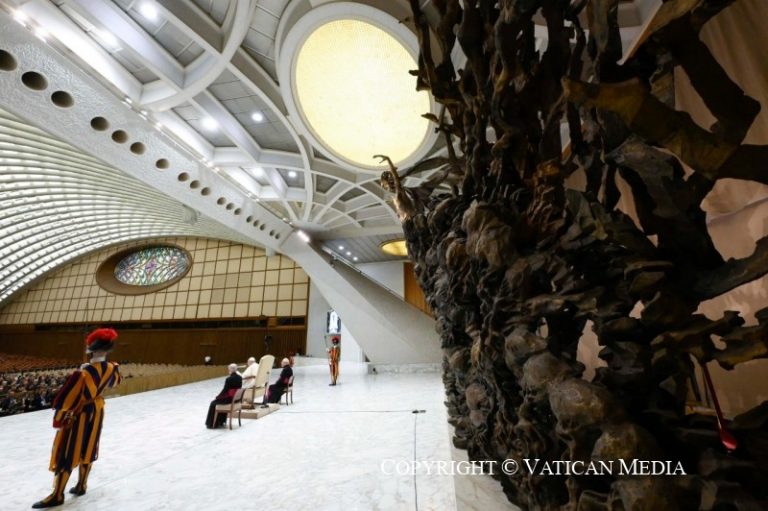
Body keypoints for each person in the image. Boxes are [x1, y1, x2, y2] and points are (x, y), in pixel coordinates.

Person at [32, 328, 122, 509]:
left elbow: (67, 400)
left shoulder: (83, 373)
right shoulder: (113, 368)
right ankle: (82, 485)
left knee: (68, 450)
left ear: (91, 348)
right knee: (89, 446)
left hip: (80, 413)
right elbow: (115, 383)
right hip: (97, 410)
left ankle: (58, 494)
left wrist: (59, 418)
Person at [204, 363, 242, 429]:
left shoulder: (229, 379)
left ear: (230, 369)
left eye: (229, 369)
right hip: (236, 399)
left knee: (213, 403)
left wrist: (218, 397)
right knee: (218, 401)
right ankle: (221, 421)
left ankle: (212, 424)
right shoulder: (240, 378)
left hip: (230, 398)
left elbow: (225, 390)